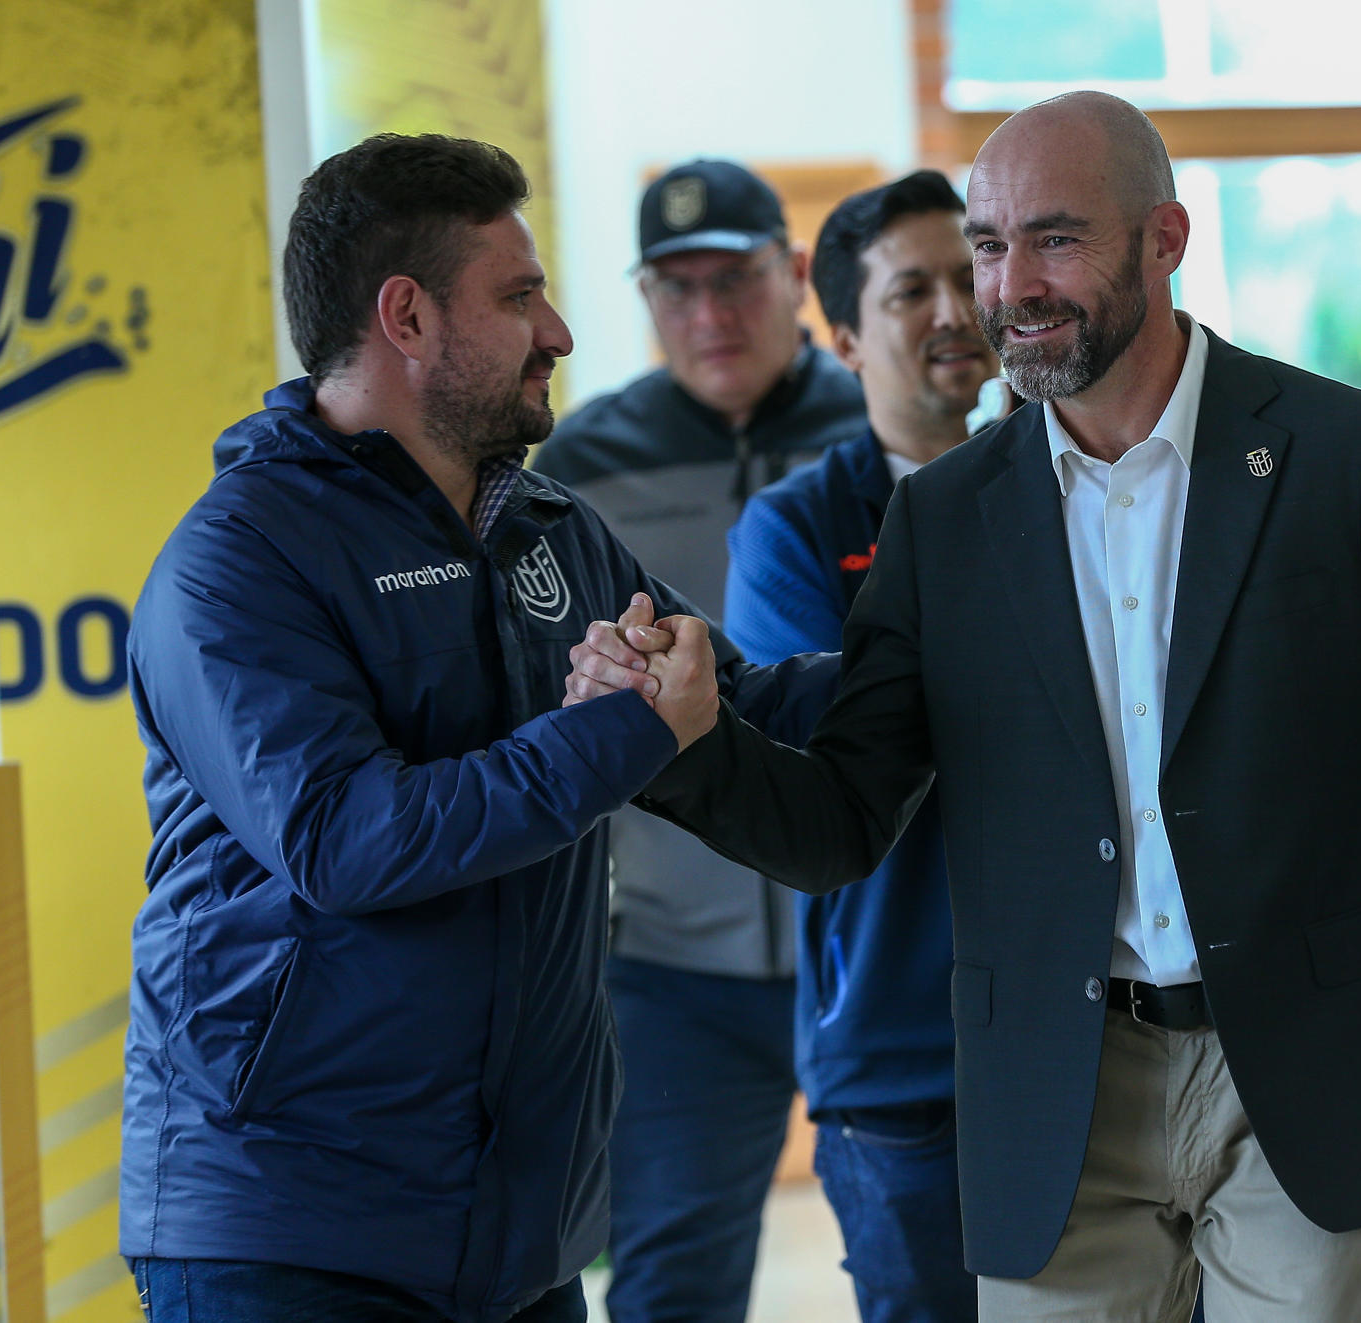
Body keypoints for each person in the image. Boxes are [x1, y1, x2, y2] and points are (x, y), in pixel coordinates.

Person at [570, 92, 1361, 1322]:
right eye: (991, 246)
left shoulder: (1351, 458)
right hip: (1055, 1091)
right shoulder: (947, 518)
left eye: (1055, 240)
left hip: (1310, 1070)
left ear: (1164, 240)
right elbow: (847, 817)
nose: (1009, 287)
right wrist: (680, 744)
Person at [120, 133, 831, 1323]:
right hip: (288, 1236)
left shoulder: (546, 524)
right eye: (519, 297)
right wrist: (625, 731)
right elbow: (350, 840)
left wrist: (955, 672)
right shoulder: (235, 561)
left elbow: (731, 693)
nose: (557, 331)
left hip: (518, 1234)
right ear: (406, 317)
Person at [530, 158, 866, 1323]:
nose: (709, 315)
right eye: (675, 289)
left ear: (795, 276)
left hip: (879, 934)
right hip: (672, 966)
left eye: (735, 278)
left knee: (947, 1258)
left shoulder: (881, 434)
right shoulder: (578, 468)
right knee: (672, 1280)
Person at [723, 169, 996, 1322]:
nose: (953, 309)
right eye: (909, 290)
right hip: (896, 1052)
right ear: (840, 335)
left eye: (967, 275)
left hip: (1093, 1030)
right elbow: (839, 735)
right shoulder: (796, 527)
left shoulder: (1075, 482)